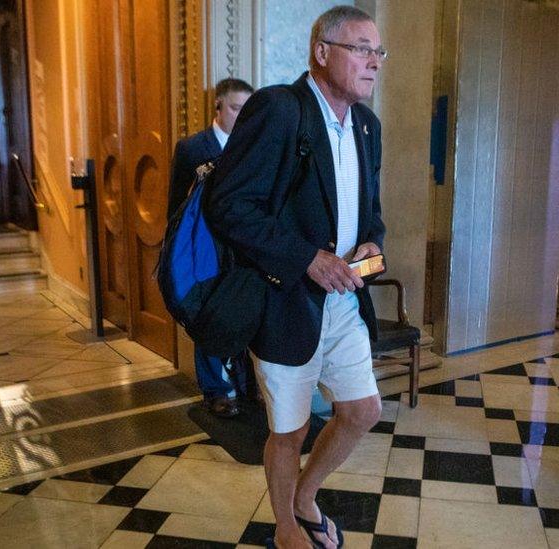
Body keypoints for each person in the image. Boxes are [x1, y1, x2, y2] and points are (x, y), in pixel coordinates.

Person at [207, 6, 386, 548]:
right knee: (290, 430)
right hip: (286, 300)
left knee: (362, 411)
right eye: (361, 48)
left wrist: (374, 239)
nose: (373, 62)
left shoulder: (367, 126)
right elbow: (230, 205)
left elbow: (370, 209)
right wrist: (307, 258)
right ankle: (287, 527)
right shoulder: (279, 110)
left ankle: (304, 498)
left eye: (379, 52)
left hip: (345, 300)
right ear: (322, 50)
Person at [169, 77, 256, 418]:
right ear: (218, 106)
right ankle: (215, 391)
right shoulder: (192, 148)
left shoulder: (253, 146)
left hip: (244, 248)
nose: (242, 115)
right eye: (236, 108)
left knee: (245, 313)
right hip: (205, 248)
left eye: (247, 109)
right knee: (208, 316)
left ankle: (248, 387)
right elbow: (175, 205)